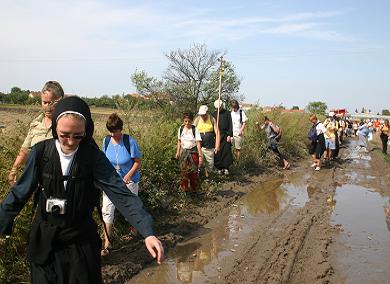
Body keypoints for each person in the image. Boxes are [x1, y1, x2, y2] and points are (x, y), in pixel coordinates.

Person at [0, 96, 164, 283]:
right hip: (45, 243)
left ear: (86, 131)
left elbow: (121, 193)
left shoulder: (92, 157)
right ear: (55, 129)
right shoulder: (40, 153)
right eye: (64, 135)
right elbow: (19, 194)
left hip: (80, 243)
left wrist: (147, 231)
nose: (70, 141)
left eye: (78, 135)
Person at [100, 113, 142, 256]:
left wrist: (129, 175)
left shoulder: (129, 141)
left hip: (129, 181)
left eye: (115, 131)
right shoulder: (106, 141)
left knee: (130, 208)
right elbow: (103, 161)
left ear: (121, 129)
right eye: (110, 131)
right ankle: (107, 242)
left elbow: (137, 161)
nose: (113, 134)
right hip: (111, 182)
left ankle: (134, 231)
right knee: (107, 210)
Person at [8, 81, 64, 186]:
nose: (48, 107)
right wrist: (14, 170)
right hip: (37, 179)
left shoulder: (65, 124)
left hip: (59, 180)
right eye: (45, 102)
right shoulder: (35, 124)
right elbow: (25, 149)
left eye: (52, 103)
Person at [175, 111, 203, 192]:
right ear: (183, 121)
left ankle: (195, 190)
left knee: (193, 172)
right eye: (185, 121)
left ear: (192, 121)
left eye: (189, 121)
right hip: (183, 153)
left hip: (193, 153)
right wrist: (177, 152)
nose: (187, 123)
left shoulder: (195, 129)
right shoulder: (181, 129)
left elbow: (198, 143)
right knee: (183, 172)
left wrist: (200, 156)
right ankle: (185, 190)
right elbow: (179, 141)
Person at [193, 105, 217, 178]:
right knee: (198, 161)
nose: (202, 116)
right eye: (201, 115)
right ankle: (199, 177)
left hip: (209, 145)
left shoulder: (212, 119)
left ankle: (208, 175)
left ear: (207, 113)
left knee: (210, 163)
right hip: (199, 145)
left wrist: (217, 145)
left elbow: (217, 132)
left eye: (203, 114)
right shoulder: (197, 120)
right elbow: (192, 131)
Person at [212, 99, 233, 175]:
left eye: (219, 108)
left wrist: (230, 135)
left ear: (222, 106)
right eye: (217, 108)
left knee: (226, 152)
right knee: (217, 152)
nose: (218, 109)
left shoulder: (227, 113)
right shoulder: (213, 115)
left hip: (225, 135)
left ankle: (226, 168)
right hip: (217, 136)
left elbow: (231, 125)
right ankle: (219, 168)